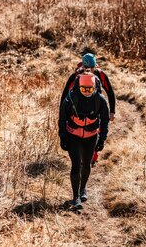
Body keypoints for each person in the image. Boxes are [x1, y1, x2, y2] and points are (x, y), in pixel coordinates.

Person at [58, 72, 110, 209]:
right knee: (76, 165)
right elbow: (62, 117)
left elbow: (105, 120)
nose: (86, 92)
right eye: (83, 89)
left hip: (91, 137)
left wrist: (102, 139)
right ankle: (76, 198)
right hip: (73, 136)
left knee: (86, 165)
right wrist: (62, 136)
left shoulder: (100, 100)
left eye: (89, 89)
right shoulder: (71, 98)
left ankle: (83, 189)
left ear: (94, 87)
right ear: (79, 87)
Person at [60, 53, 116, 123]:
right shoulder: (76, 76)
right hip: (78, 111)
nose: (88, 70)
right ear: (82, 66)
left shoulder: (100, 75)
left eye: (91, 68)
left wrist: (112, 111)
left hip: (95, 110)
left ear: (95, 66)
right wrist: (62, 115)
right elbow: (65, 94)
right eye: (86, 67)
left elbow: (110, 92)